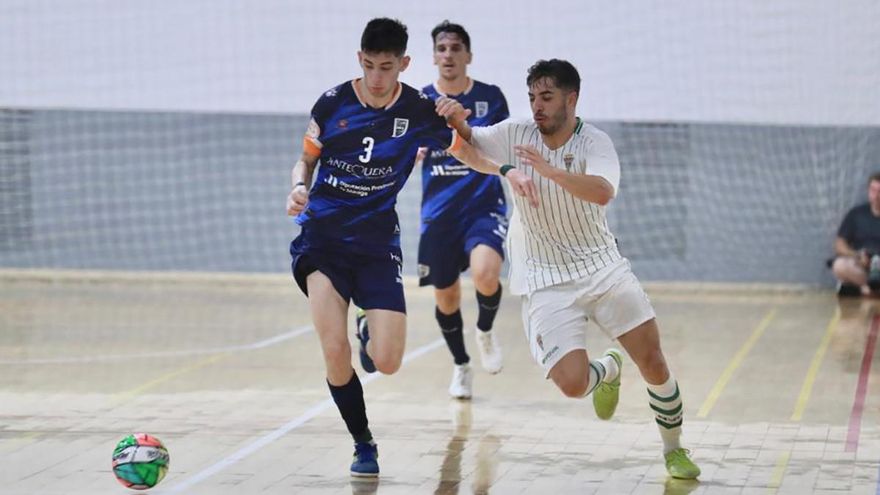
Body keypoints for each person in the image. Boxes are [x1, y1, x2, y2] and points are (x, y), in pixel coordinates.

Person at [285, 18, 536, 478]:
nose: (377, 78)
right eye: (368, 66)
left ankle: (371, 330)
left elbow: (465, 149)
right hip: (322, 238)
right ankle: (363, 443)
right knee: (333, 349)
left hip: (377, 243)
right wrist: (298, 187)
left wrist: (504, 171)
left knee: (388, 362)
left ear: (403, 63)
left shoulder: (420, 109)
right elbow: (306, 159)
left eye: (386, 67)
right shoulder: (332, 102)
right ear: (359, 60)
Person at [437, 58, 701, 479]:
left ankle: (674, 450)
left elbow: (601, 192)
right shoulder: (516, 133)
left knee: (652, 359)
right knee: (573, 384)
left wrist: (550, 172)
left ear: (571, 99)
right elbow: (472, 141)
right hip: (545, 278)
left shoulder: (595, 143)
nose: (537, 106)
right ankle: (607, 370)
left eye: (547, 97)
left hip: (601, 266)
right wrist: (456, 119)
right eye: (532, 98)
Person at [416, 21, 511, 399]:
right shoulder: (419, 101)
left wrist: (462, 124)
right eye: (442, 48)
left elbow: (501, 147)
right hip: (438, 214)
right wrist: (413, 152)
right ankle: (461, 365)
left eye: (456, 48)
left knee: (487, 274)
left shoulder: (490, 97)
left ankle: (485, 331)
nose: (449, 55)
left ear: (468, 56)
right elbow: (403, 151)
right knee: (447, 297)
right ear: (434, 56)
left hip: (482, 205)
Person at [830, 172, 880, 296]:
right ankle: (871, 288)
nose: (877, 196)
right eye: (873, 190)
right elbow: (839, 244)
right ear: (868, 191)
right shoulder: (856, 214)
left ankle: (865, 290)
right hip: (862, 266)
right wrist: (857, 255)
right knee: (839, 265)